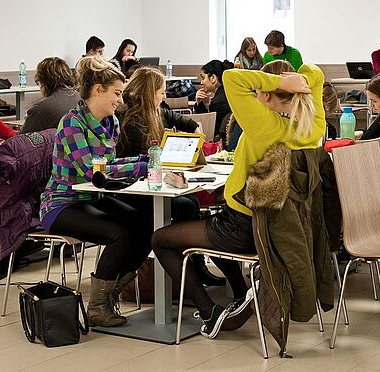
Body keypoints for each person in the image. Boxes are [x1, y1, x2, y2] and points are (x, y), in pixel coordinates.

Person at [152, 62, 323, 339]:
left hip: (242, 226)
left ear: (267, 93)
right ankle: (242, 294)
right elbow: (316, 74)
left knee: (160, 239)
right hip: (274, 229)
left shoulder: (264, 125)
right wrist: (298, 80)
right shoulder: (312, 126)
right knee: (204, 222)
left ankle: (209, 311)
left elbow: (231, 77)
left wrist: (277, 82)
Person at [39, 56, 152, 328]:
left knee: (146, 225)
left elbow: (109, 165)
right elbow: (94, 171)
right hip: (61, 205)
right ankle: (98, 306)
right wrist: (140, 166)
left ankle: (110, 294)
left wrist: (145, 161)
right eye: (116, 93)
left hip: (91, 198)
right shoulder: (71, 124)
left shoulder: (109, 122)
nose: (119, 101)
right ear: (97, 89)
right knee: (119, 235)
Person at [116, 66, 202, 222]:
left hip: (147, 180)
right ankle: (169, 242)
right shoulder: (131, 120)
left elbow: (175, 117)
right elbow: (146, 157)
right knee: (186, 206)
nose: (164, 97)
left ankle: (179, 244)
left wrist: (194, 127)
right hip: (131, 185)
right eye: (162, 93)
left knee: (193, 201)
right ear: (149, 93)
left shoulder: (153, 110)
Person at [20, 57, 80, 134]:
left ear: (44, 82)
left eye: (38, 82)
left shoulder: (41, 109)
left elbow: (21, 142)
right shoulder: (85, 100)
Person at [194, 60, 233, 141]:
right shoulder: (227, 92)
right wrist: (200, 102)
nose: (201, 82)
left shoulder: (218, 101)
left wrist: (201, 104)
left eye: (203, 78)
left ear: (213, 78)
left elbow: (208, 129)